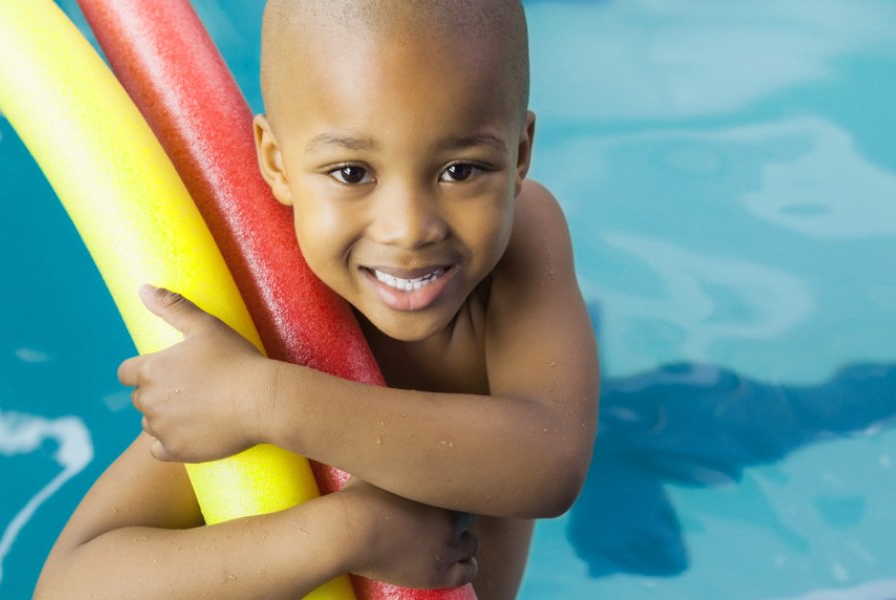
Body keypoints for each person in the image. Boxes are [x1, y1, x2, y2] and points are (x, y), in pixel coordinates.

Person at [34, 1, 598, 598]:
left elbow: (550, 462)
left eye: (460, 170)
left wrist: (270, 400)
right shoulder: (266, 317)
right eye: (352, 173)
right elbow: (72, 587)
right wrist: (345, 532)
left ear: (519, 154)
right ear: (276, 161)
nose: (409, 228)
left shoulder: (524, 243)